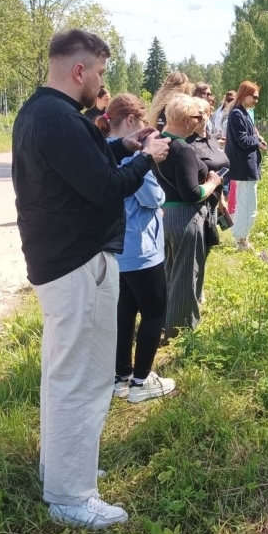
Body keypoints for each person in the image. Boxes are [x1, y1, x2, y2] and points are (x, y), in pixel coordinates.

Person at [12, 29, 169, 529]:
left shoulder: (44, 113)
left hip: (65, 262)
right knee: (81, 377)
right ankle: (71, 495)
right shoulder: (59, 119)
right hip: (76, 263)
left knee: (66, 374)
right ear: (78, 70)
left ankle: (63, 469)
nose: (101, 82)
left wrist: (123, 145)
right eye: (99, 72)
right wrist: (146, 158)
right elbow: (104, 188)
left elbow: (87, 165)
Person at [96, 93, 175, 404]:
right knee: (154, 312)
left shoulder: (102, 151)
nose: (145, 127)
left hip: (116, 248)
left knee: (124, 314)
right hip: (141, 249)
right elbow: (154, 197)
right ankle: (142, 381)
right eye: (143, 121)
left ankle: (121, 377)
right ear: (131, 121)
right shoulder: (132, 158)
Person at [156, 94, 223, 335]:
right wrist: (213, 183)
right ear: (186, 120)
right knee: (185, 275)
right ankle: (180, 330)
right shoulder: (183, 150)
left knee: (168, 272)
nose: (200, 120)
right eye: (197, 117)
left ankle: (162, 321)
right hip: (185, 218)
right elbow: (192, 193)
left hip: (163, 215)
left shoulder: (158, 141)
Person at [185, 98, 231, 298]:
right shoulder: (188, 142)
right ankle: (190, 292)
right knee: (194, 251)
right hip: (196, 205)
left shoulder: (212, 138)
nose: (200, 116)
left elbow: (221, 166)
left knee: (207, 246)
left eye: (203, 112)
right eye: (196, 112)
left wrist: (222, 199)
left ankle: (198, 287)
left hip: (213, 201)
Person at [224, 81, 267, 250]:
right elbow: (243, 140)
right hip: (243, 166)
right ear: (244, 94)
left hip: (245, 165)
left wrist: (257, 140)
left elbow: (248, 137)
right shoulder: (237, 114)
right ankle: (241, 240)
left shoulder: (243, 113)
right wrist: (257, 139)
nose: (256, 100)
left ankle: (241, 237)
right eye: (254, 97)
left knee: (244, 204)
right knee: (249, 206)